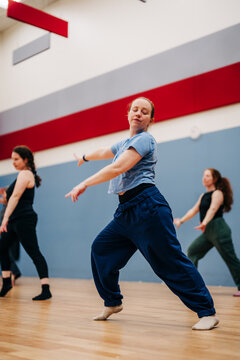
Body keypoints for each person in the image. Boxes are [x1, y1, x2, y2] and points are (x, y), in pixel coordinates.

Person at [66, 97, 219, 330]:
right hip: (125, 211)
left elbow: (118, 167)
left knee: (167, 262)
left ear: (151, 120)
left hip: (148, 207)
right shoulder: (125, 142)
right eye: (134, 109)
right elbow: (104, 152)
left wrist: (84, 183)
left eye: (144, 111)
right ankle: (112, 302)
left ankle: (207, 311)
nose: (138, 113)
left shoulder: (145, 139)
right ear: (128, 114)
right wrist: (84, 157)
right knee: (101, 248)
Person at [174, 168, 240, 297]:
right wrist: (180, 221)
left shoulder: (218, 193)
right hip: (208, 231)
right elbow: (193, 210)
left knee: (230, 258)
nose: (204, 178)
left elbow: (213, 209)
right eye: (204, 176)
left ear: (214, 179)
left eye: (208, 176)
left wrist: (204, 222)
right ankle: (192, 287)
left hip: (219, 229)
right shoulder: (203, 196)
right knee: (192, 251)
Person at [0, 146, 52, 300]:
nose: (13, 162)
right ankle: (7, 283)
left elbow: (15, 197)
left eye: (16, 159)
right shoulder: (22, 175)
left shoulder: (25, 173)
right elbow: (10, 198)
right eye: (12, 159)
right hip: (16, 219)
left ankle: (46, 289)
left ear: (25, 160)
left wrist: (4, 219)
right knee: (1, 248)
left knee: (34, 252)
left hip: (24, 219)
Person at [0, 187, 21, 285]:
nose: (2, 196)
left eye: (4, 194)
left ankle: (14, 274)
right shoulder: (5, 206)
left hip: (10, 232)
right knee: (7, 254)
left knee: (9, 254)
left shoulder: (11, 206)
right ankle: (11, 276)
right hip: (5, 232)